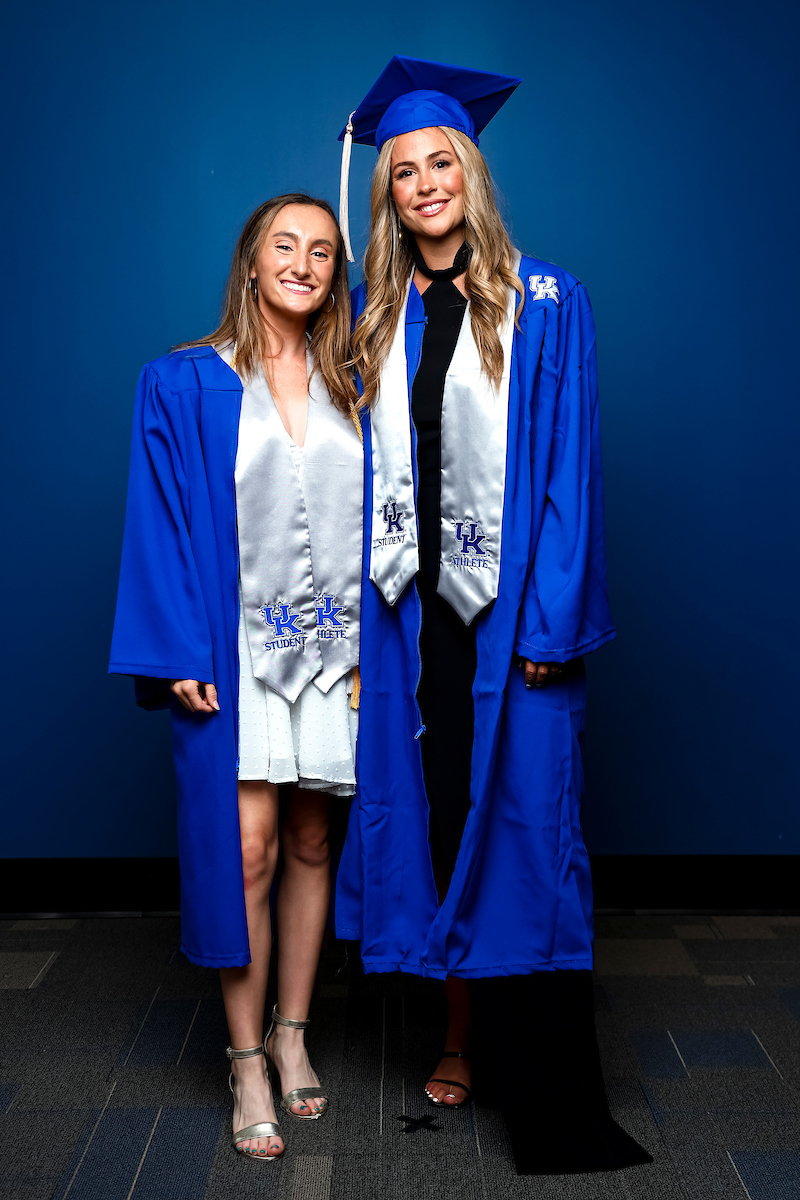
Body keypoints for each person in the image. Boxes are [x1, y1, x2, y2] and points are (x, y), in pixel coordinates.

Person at [334, 58, 651, 1172]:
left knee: (517, 820)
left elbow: (570, 474)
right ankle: (460, 1030)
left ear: (471, 172)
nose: (423, 183)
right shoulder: (371, 314)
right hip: (405, 619)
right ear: (386, 192)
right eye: (403, 170)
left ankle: (524, 1059)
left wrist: (547, 628)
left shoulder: (541, 300)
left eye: (440, 163)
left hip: (506, 618)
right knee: (435, 816)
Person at [109, 194, 363, 1162]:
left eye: (323, 251)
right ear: (250, 263)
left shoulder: (355, 382)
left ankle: (295, 1033)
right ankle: (245, 1055)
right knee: (247, 847)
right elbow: (159, 519)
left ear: (336, 272)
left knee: (309, 837)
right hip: (233, 646)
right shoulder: (182, 382)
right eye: (283, 246)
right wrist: (177, 648)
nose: (303, 262)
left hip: (339, 647)